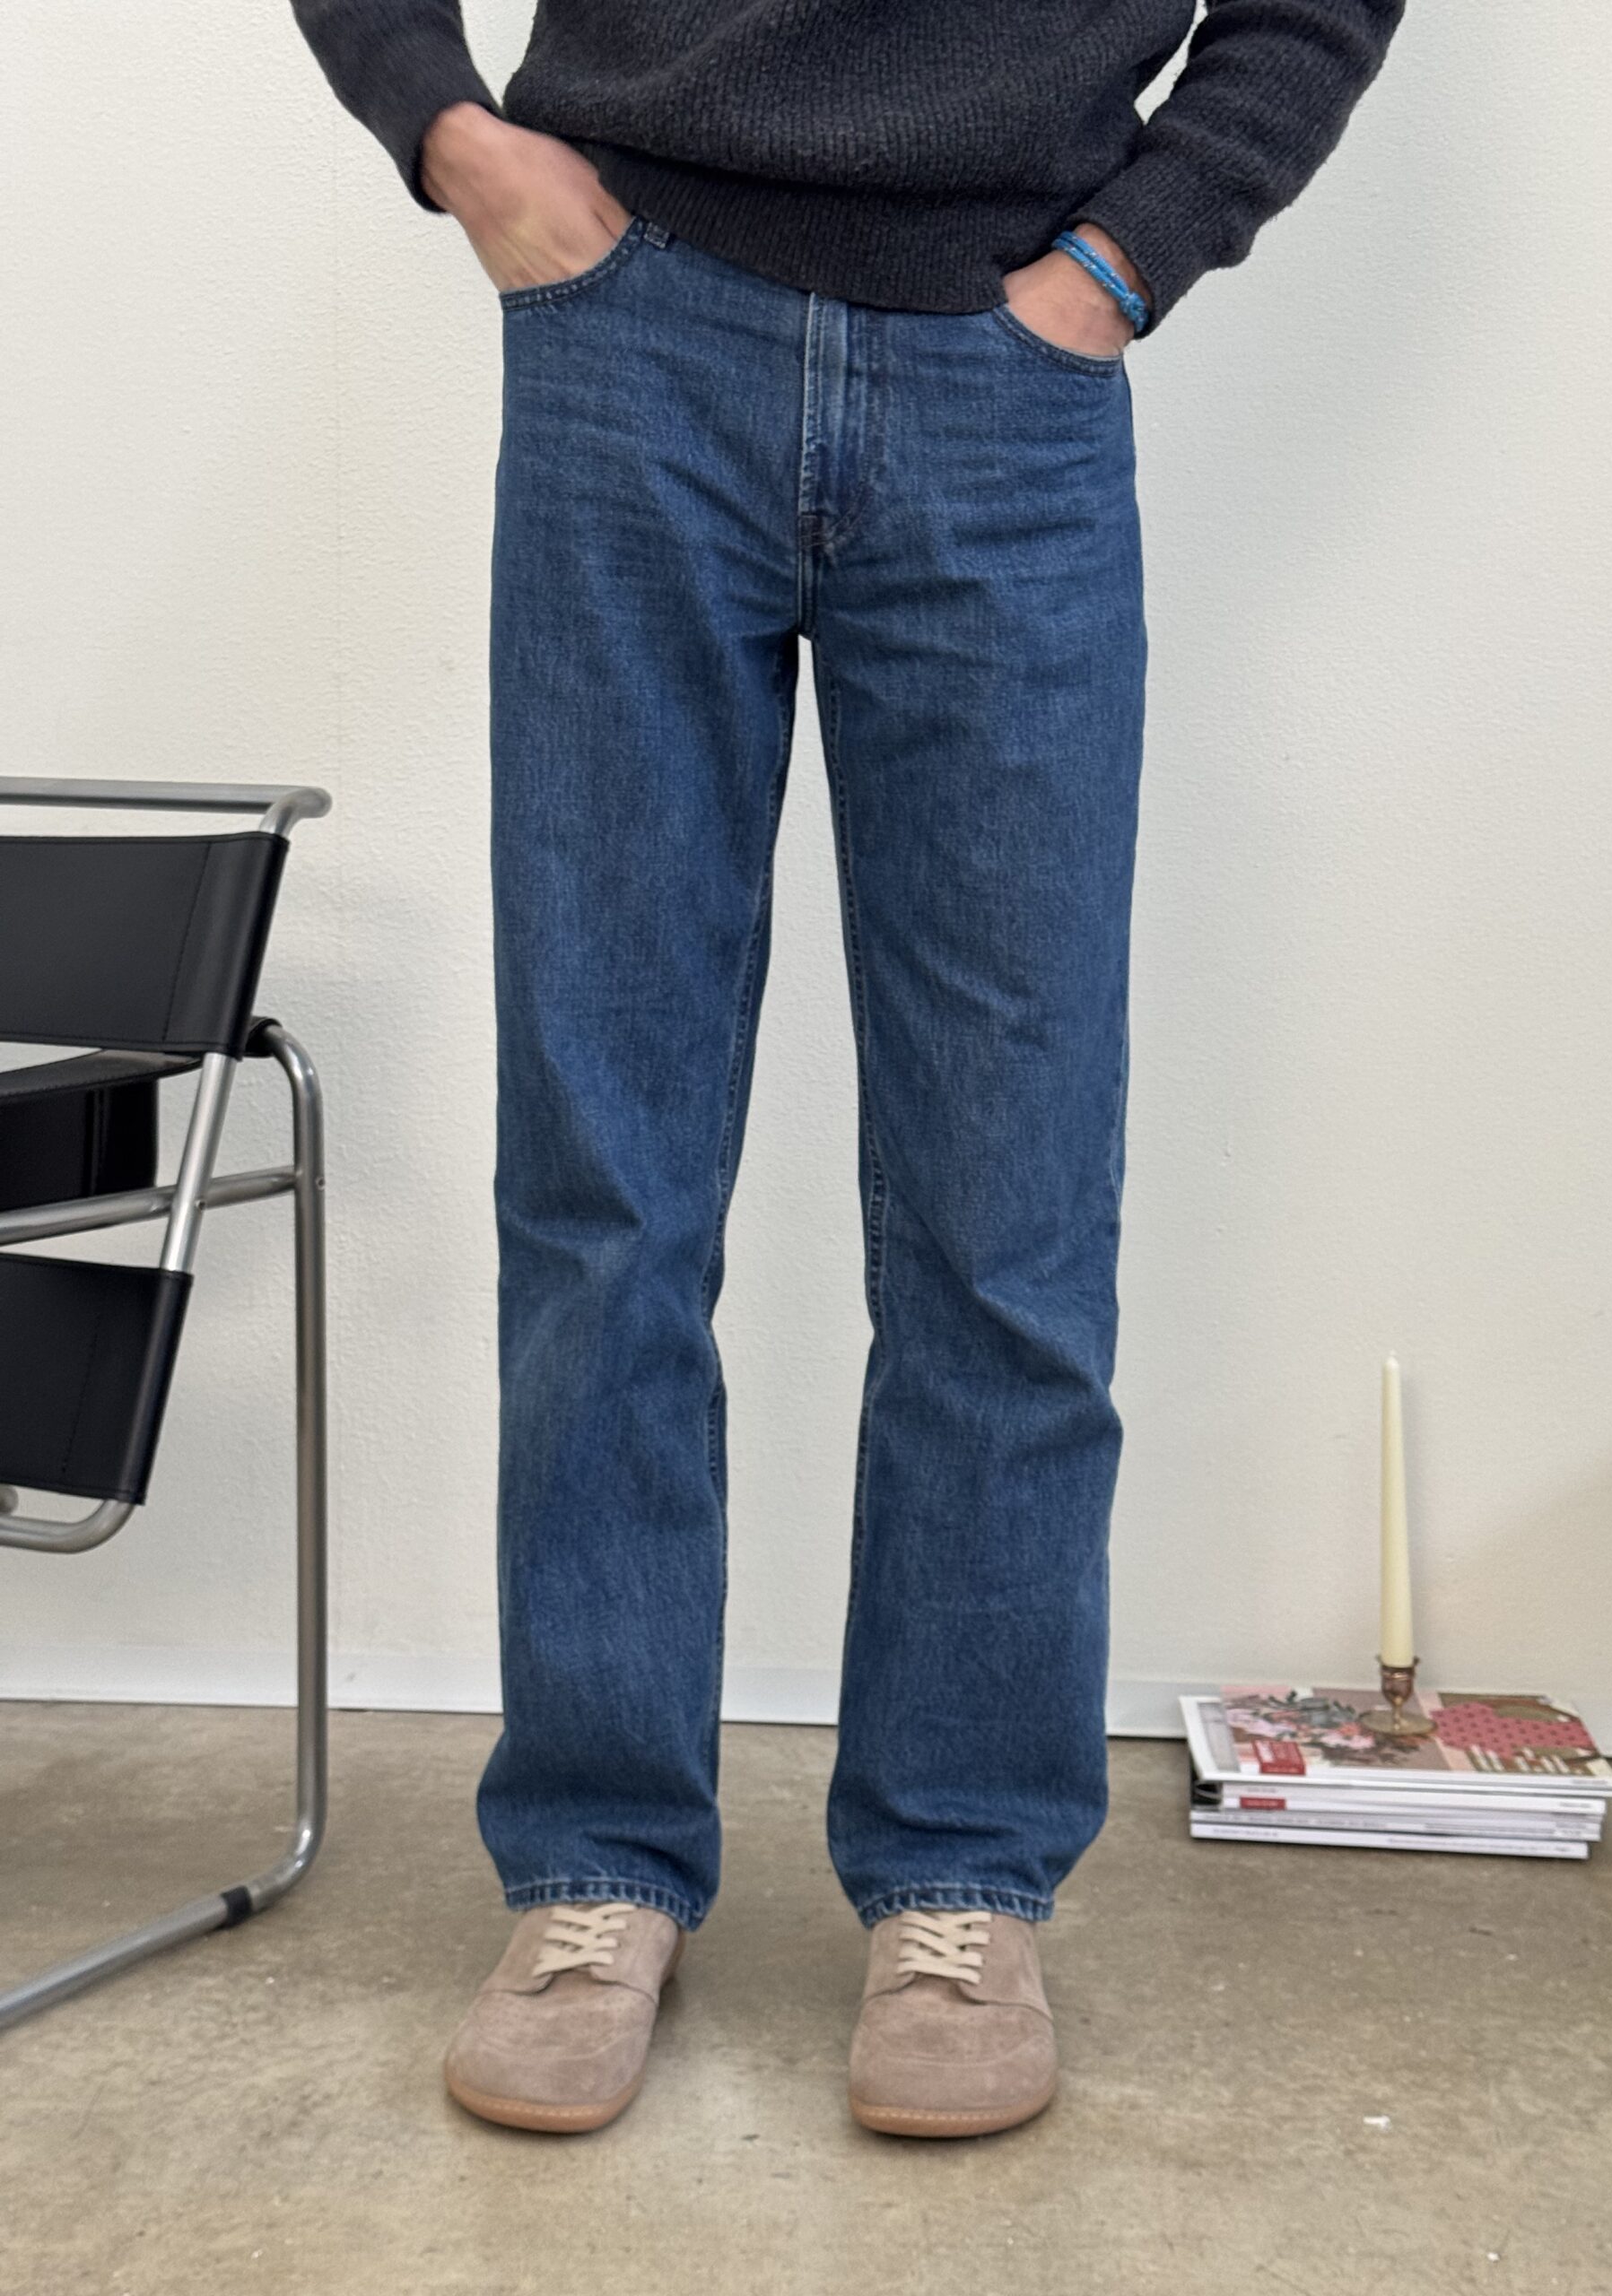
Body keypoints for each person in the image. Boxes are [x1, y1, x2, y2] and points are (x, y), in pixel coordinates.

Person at [290, 0, 1403, 2140]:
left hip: (1015, 366)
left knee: (1009, 1192)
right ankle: (598, 1864)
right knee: (608, 1174)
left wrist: (1130, 255)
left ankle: (963, 1877)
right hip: (635, 329)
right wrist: (454, 137)